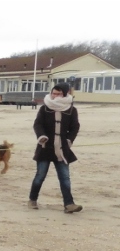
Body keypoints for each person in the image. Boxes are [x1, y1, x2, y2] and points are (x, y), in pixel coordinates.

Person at [29, 83, 82, 213]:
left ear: (65, 94)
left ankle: (69, 204)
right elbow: (37, 124)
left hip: (62, 148)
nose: (55, 96)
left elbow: (75, 127)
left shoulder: (71, 109)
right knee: (40, 175)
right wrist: (41, 136)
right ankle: (32, 199)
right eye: (54, 93)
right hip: (45, 147)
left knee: (65, 177)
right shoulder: (44, 108)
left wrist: (69, 140)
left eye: (59, 93)